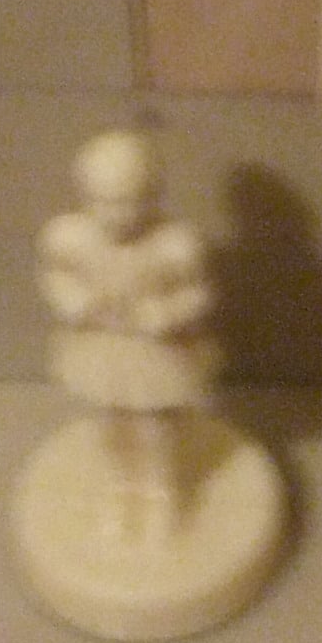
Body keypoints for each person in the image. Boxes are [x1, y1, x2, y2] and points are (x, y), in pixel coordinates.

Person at [39, 129, 218, 542]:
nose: (119, 214)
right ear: (84, 196)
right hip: (101, 347)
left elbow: (200, 293)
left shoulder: (174, 244)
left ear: (153, 195)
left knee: (155, 427)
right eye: (105, 201)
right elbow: (55, 278)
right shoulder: (69, 237)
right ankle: (121, 487)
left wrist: (167, 313)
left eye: (131, 200)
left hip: (152, 353)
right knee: (109, 424)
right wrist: (74, 301)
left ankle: (161, 491)